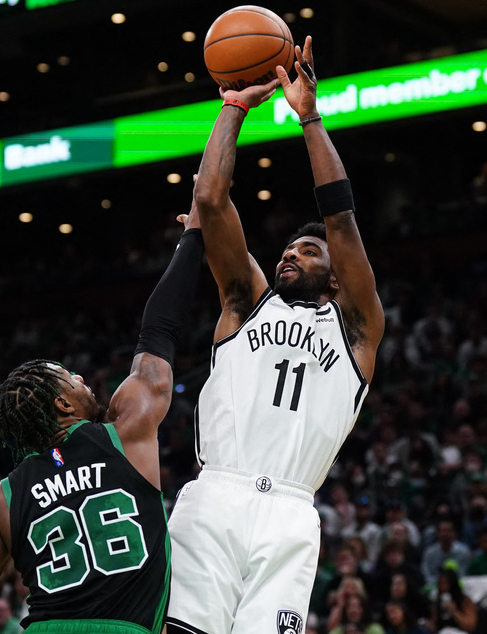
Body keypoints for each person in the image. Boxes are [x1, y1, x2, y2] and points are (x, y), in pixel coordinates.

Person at [165, 35, 384, 634]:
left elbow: (340, 216)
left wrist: (308, 117)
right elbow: (210, 201)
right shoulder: (246, 302)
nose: (291, 253)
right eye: (288, 247)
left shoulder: (357, 331)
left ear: (337, 279)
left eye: (308, 252)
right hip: (215, 495)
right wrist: (232, 108)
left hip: (290, 510)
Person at [0, 206, 206, 634]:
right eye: (70, 378)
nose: (82, 378)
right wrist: (194, 235)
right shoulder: (126, 434)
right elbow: (159, 331)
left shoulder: (0, 501)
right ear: (64, 404)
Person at [430, 568, 477, 634]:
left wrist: (454, 611)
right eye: (440, 583)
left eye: (444, 583)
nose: (442, 587)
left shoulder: (465, 601)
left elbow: (470, 626)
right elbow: (434, 625)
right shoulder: (438, 601)